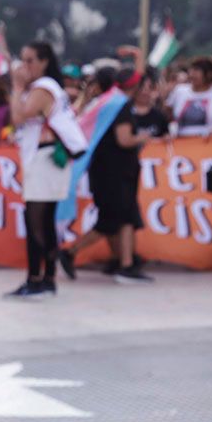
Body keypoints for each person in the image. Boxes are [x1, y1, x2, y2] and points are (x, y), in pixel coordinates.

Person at [60, 69, 158, 284]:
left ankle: (125, 262)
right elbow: (124, 139)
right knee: (112, 221)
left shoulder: (106, 103)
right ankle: (72, 252)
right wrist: (142, 137)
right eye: (145, 86)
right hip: (116, 173)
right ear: (136, 87)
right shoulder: (120, 106)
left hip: (109, 172)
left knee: (125, 219)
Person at [6, 42, 87, 300]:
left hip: (44, 159)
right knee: (45, 222)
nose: (25, 66)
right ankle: (47, 279)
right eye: (23, 59)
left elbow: (19, 117)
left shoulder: (43, 88)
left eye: (30, 60)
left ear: (43, 62)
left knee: (36, 221)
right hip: (48, 158)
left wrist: (16, 88)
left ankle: (36, 279)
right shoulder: (51, 87)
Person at [166, 56, 212, 137]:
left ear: (209, 74)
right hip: (182, 143)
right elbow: (168, 114)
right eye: (191, 70)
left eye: (197, 70)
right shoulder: (179, 91)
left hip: (210, 143)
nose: (192, 74)